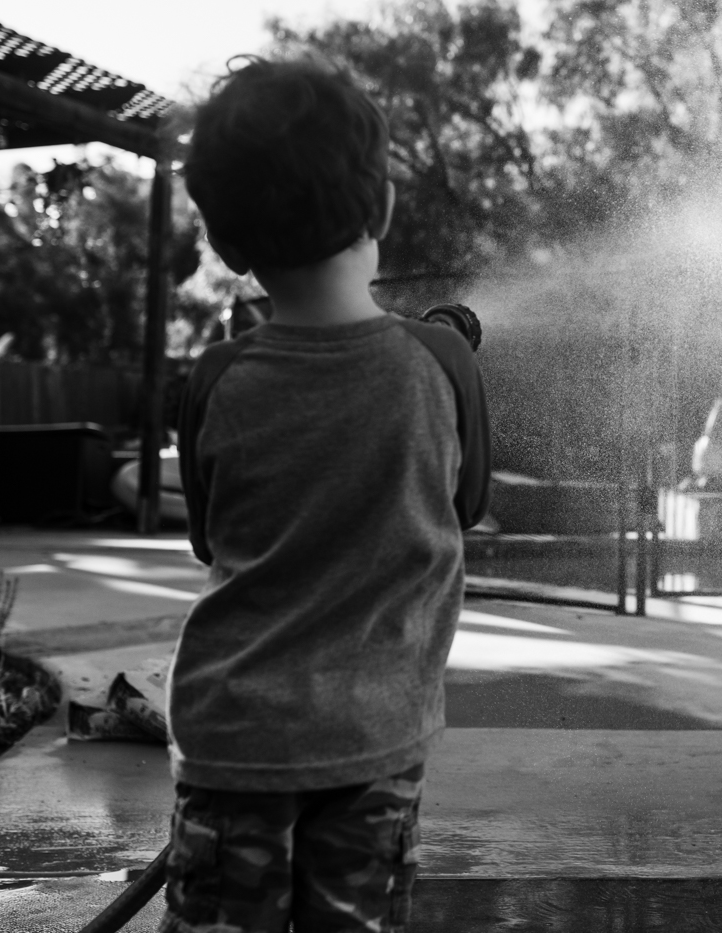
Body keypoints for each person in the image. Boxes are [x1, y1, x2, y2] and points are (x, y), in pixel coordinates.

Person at [168, 57, 490, 932]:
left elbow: (210, 537)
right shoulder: (441, 365)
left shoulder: (217, 377)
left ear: (228, 249)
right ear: (381, 206)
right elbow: (461, 508)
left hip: (230, 744)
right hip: (373, 747)